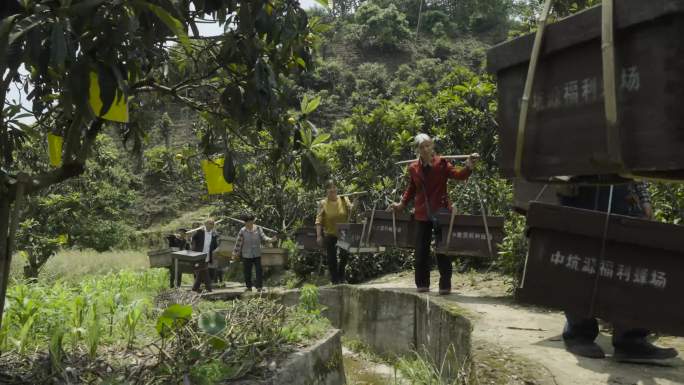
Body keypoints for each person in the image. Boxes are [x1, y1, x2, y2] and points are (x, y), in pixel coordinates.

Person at [558, 182, 678, 363]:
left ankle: (631, 339)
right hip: (582, 184)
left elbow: (639, 162)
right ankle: (579, 333)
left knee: (633, 265)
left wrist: (644, 199)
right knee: (582, 259)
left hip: (623, 190)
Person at [389, 133, 477, 294]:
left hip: (441, 211)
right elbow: (412, 188)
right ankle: (422, 284)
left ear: (432, 146)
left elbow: (458, 175)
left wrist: (469, 166)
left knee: (442, 250)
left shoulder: (442, 164)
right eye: (422, 147)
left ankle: (445, 285)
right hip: (422, 213)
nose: (425, 149)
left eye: (428, 145)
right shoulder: (413, 168)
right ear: (418, 150)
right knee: (421, 250)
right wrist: (401, 204)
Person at [316, 180, 354, 284]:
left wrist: (353, 205)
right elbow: (318, 221)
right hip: (330, 233)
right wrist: (319, 236)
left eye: (334, 187)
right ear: (326, 191)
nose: (332, 189)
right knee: (331, 257)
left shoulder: (344, 199)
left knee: (344, 255)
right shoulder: (322, 203)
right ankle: (335, 279)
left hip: (343, 231)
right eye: (330, 188)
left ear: (336, 188)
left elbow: (351, 210)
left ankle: (342, 276)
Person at [232, 213, 276, 292]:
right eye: (247, 222)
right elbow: (238, 243)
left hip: (257, 253)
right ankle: (248, 286)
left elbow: (264, 237)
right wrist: (235, 253)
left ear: (253, 221)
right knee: (247, 271)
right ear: (245, 222)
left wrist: (271, 239)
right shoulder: (242, 231)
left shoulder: (258, 229)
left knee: (259, 270)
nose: (249, 223)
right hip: (246, 254)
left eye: (250, 221)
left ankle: (259, 286)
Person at [191, 219, 220, 293]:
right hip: (199, 255)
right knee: (204, 271)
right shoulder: (200, 232)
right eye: (209, 223)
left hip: (207, 256)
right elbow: (193, 239)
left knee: (201, 272)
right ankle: (209, 289)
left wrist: (216, 250)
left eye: (212, 224)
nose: (211, 225)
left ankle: (195, 289)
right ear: (205, 224)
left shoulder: (214, 235)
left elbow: (215, 246)